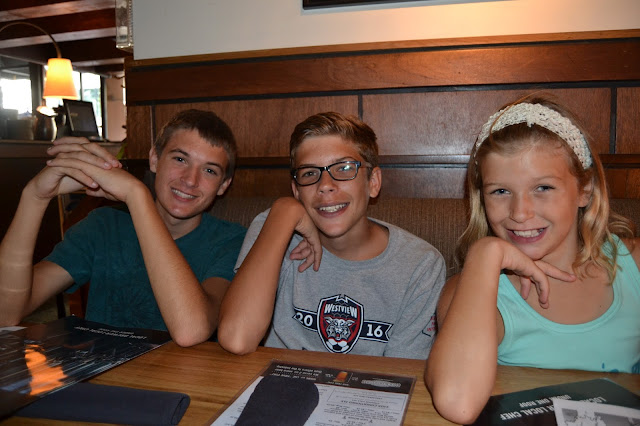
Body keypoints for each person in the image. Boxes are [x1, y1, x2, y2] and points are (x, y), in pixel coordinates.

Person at [424, 97, 640, 424]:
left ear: (585, 189)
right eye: (500, 191)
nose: (520, 213)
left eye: (543, 187)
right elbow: (458, 402)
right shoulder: (472, 291)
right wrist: (485, 253)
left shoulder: (633, 264)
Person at [0, 109, 246, 347]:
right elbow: (6, 313)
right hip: (100, 371)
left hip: (184, 375)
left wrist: (136, 195)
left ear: (223, 185)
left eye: (209, 170)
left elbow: (190, 331)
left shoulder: (232, 242)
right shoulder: (104, 226)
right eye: (180, 159)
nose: (191, 180)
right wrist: (34, 197)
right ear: (154, 159)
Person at [217, 112, 445, 359]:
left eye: (344, 168)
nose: (325, 185)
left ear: (373, 182)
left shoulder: (420, 264)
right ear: (296, 190)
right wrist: (285, 210)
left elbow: (403, 373)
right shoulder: (274, 226)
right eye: (309, 173)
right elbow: (237, 338)